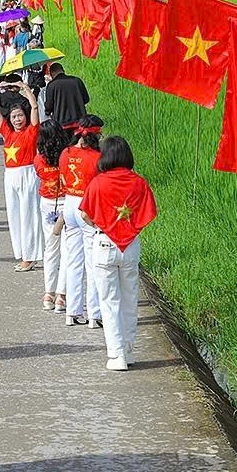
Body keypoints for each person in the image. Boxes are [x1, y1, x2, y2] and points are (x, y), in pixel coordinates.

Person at [80, 136, 158, 371]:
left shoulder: (98, 183)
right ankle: (128, 350)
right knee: (129, 300)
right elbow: (149, 212)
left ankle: (116, 355)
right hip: (131, 246)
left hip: (104, 244)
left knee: (109, 302)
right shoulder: (139, 182)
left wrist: (102, 225)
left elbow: (85, 214)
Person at [0, 81, 43, 271]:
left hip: (28, 174)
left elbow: (35, 107)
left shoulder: (32, 131)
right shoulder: (7, 133)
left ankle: (30, 257)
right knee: (14, 217)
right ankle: (22, 254)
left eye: (20, 115)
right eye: (14, 116)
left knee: (28, 215)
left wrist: (26, 89)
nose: (17, 119)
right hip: (10, 176)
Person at [58, 116, 104, 328]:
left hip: (69, 204)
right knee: (92, 262)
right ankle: (94, 314)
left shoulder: (65, 153)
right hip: (87, 206)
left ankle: (72, 312)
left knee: (73, 261)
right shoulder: (97, 157)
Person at [34, 121, 69, 314]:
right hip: (67, 203)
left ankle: (49, 293)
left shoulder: (39, 159)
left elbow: (39, 174)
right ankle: (62, 296)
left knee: (50, 249)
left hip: (48, 204)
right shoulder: (67, 157)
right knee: (67, 250)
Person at [42, 63, 90, 129]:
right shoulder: (77, 81)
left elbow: (49, 105)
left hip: (61, 123)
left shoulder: (52, 85)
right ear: (63, 70)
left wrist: (47, 112)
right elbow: (86, 99)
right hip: (80, 121)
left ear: (51, 74)